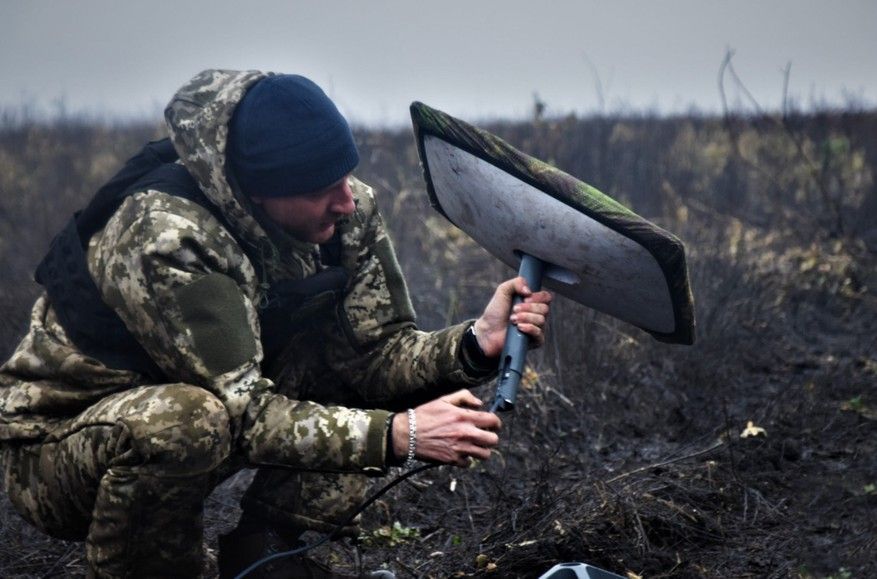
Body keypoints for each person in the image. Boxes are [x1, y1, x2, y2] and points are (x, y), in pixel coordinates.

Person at [0, 70, 552, 578]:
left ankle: (267, 555)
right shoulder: (166, 237)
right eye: (319, 190)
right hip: (61, 451)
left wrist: (475, 344)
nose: (345, 204)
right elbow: (242, 414)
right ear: (257, 191)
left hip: (212, 413)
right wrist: (398, 435)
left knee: (333, 370)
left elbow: (377, 354)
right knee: (187, 421)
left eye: (345, 177)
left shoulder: (346, 212)